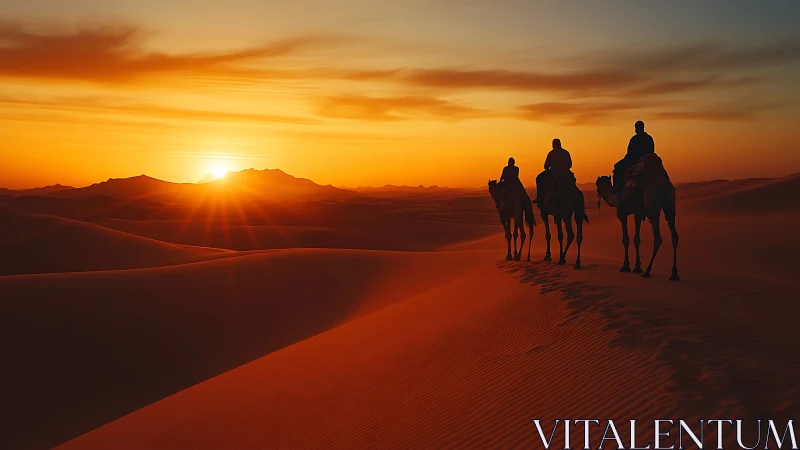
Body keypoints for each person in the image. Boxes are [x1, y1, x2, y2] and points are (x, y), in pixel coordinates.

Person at [614, 120, 654, 193]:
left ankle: (618, 190)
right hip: (648, 160)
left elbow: (630, 154)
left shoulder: (634, 139)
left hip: (635, 160)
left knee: (617, 166)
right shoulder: (649, 138)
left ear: (636, 128)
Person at [535, 138, 573, 203]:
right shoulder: (565, 152)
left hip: (553, 172)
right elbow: (570, 164)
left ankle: (539, 197)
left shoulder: (551, 153)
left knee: (539, 178)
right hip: (565, 172)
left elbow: (546, 166)